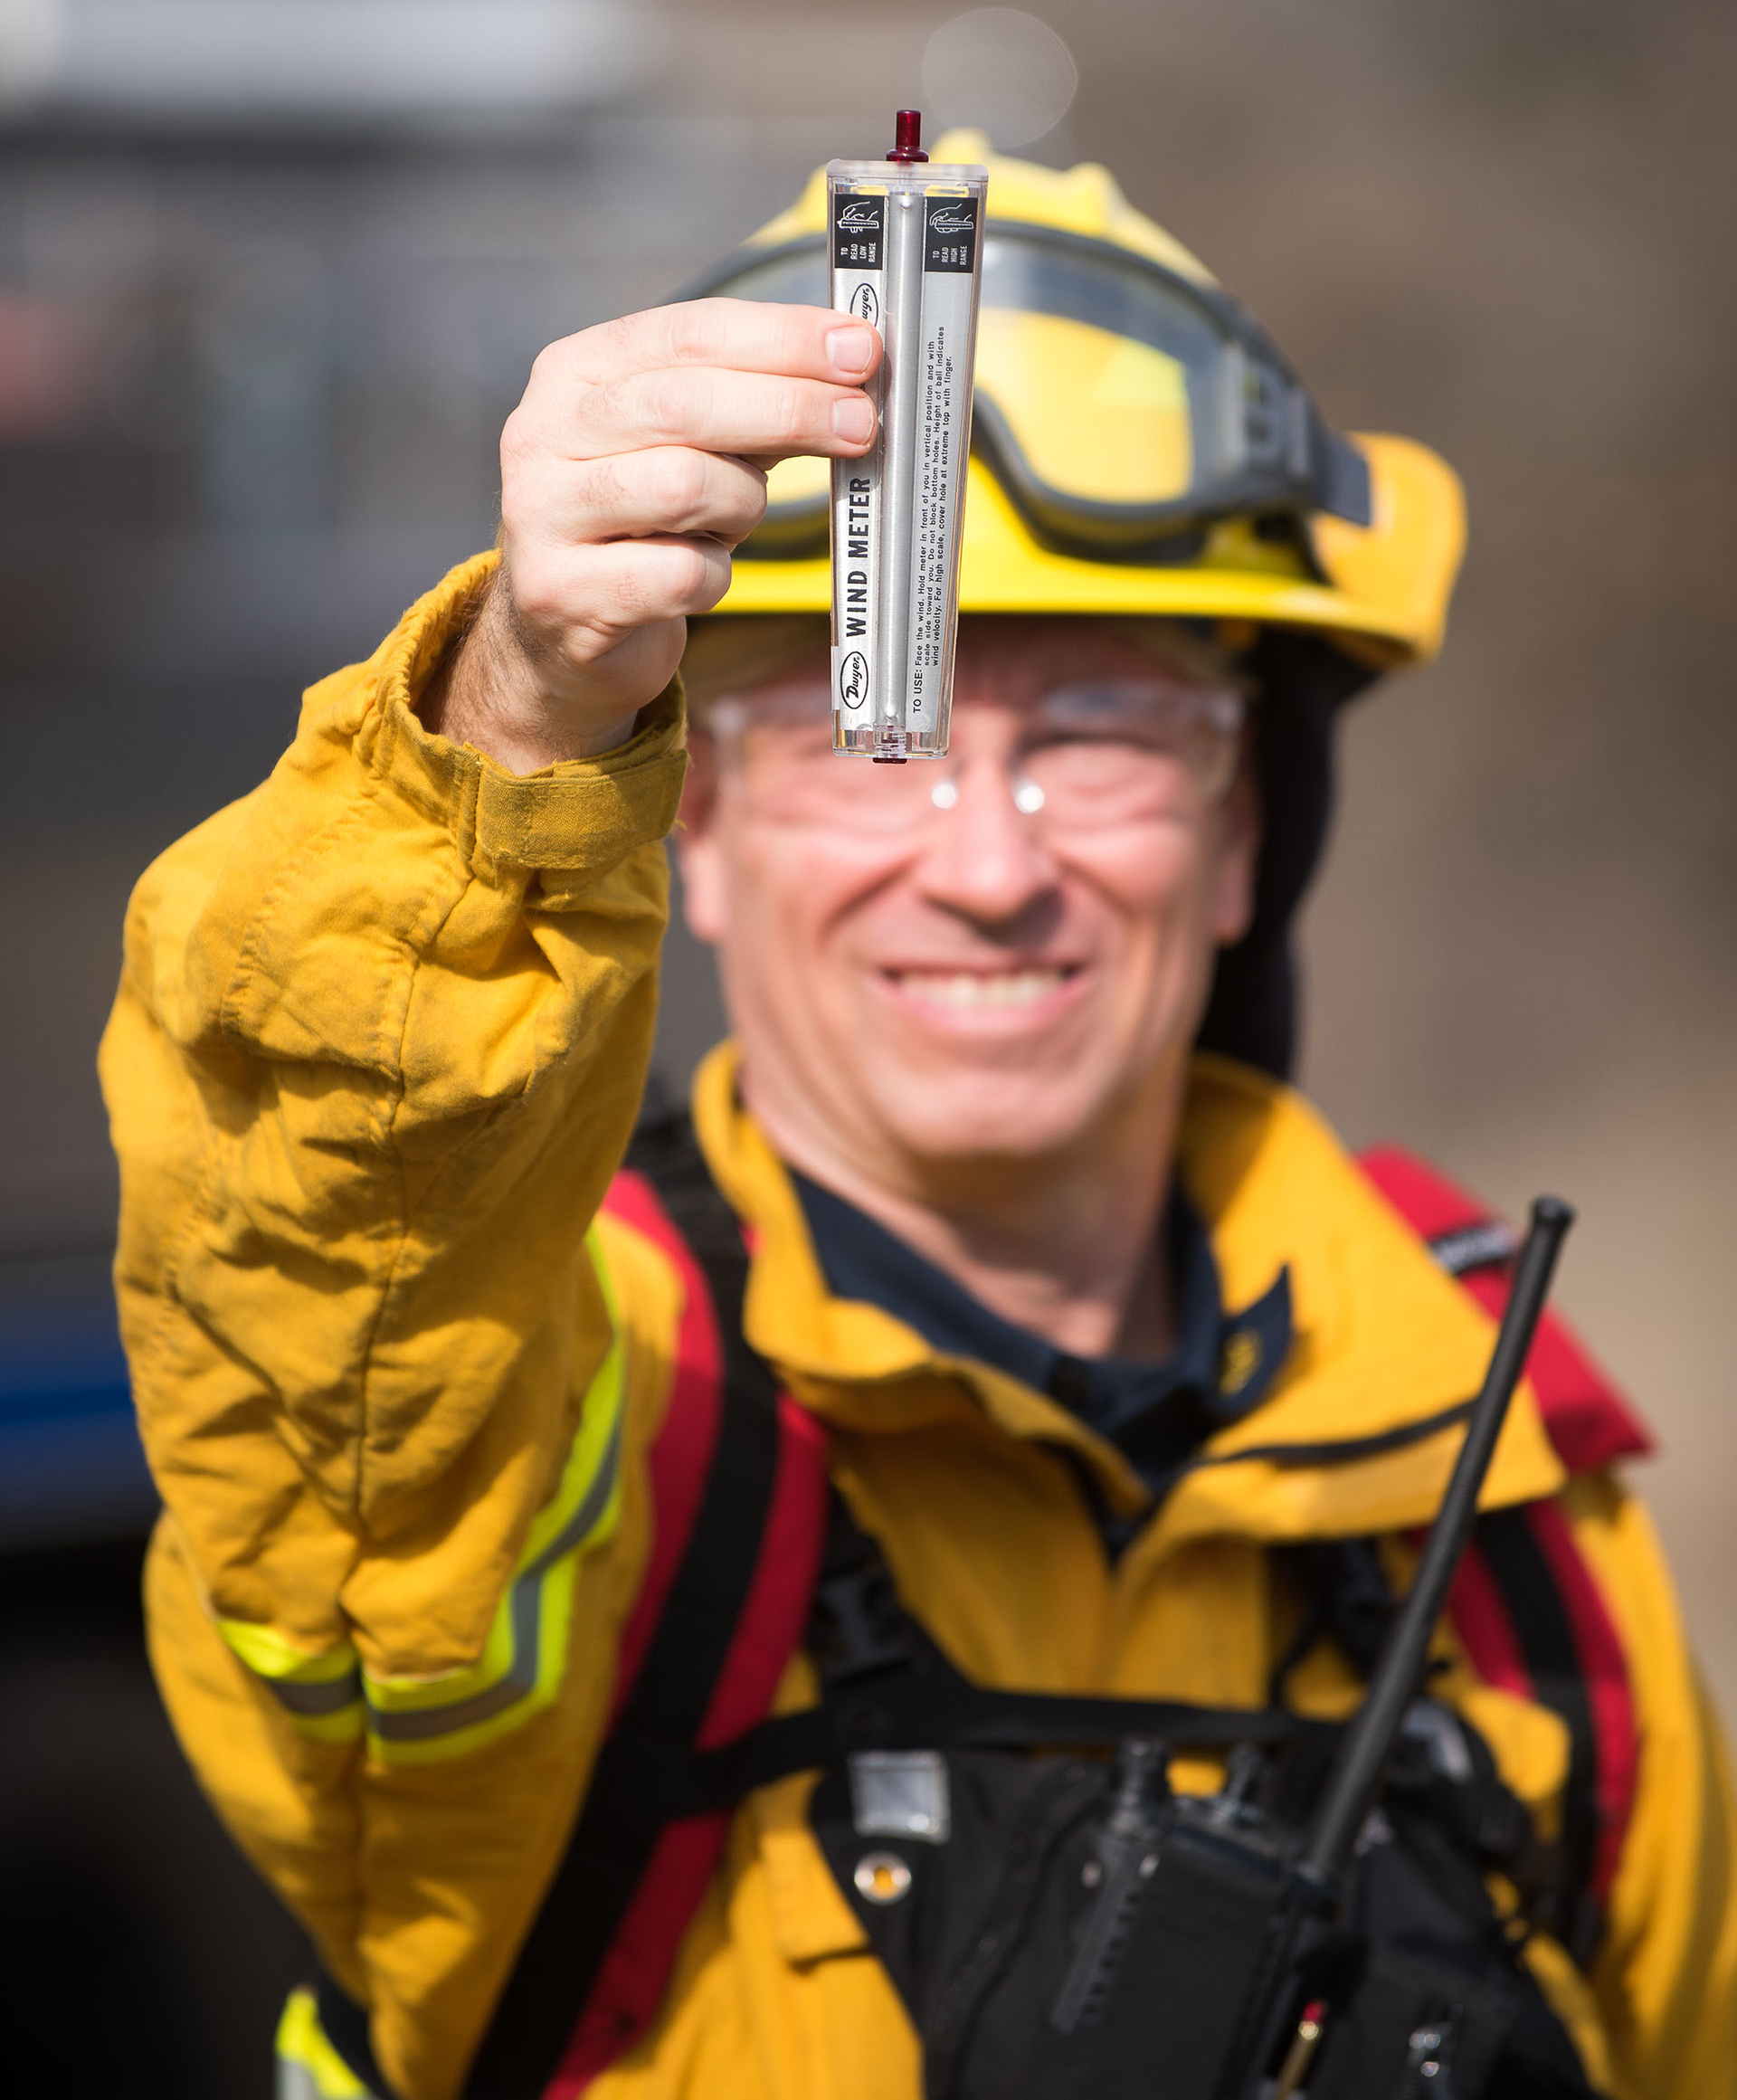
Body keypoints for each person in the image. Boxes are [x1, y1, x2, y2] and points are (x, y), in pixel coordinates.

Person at [100, 136, 1736, 2100]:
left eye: (1103, 734)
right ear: (690, 829)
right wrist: (513, 732)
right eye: (869, 740)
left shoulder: (1507, 1490)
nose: (982, 865)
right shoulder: (566, 1401)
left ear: (1242, 838)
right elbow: (326, 1250)